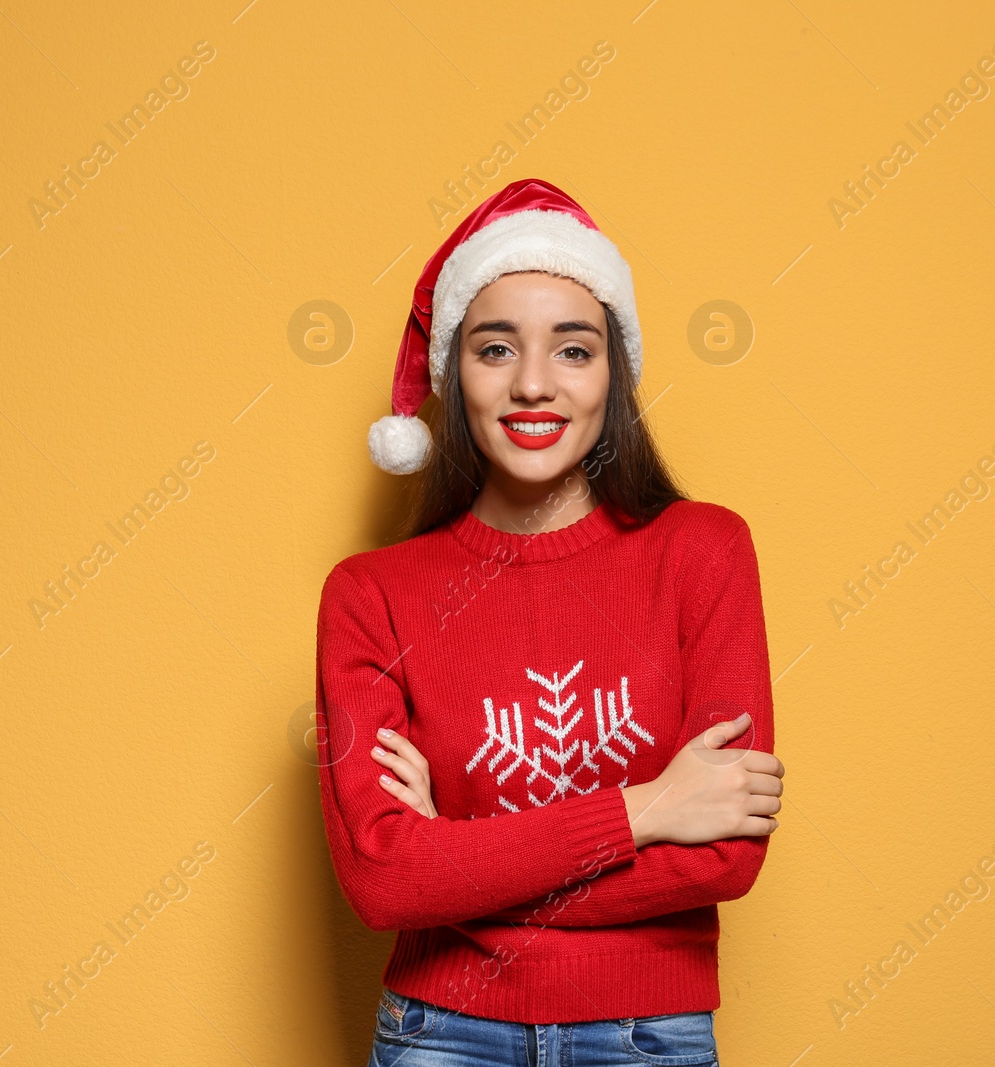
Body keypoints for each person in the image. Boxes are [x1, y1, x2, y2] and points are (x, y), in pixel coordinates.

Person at [314, 178, 784, 1066]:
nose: (534, 383)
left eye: (574, 349)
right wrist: (647, 809)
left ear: (615, 371)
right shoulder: (370, 593)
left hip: (650, 1036)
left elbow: (724, 855)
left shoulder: (704, 552)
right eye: (496, 348)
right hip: (438, 1037)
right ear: (457, 372)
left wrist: (452, 861)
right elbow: (382, 881)